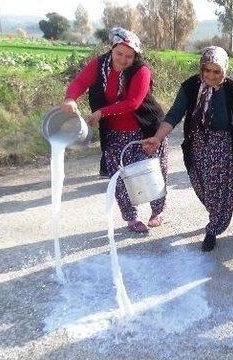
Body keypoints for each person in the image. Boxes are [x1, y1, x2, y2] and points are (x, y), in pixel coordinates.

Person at [141, 46, 233, 252]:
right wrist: (158, 138)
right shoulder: (191, 87)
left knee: (217, 189)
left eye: (216, 71)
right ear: (201, 68)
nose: (211, 76)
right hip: (197, 144)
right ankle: (216, 213)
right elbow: (174, 115)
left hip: (225, 146)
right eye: (207, 70)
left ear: (224, 70)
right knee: (200, 186)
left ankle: (213, 228)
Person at [61, 27, 167, 233]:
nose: (123, 59)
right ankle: (131, 218)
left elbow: (133, 102)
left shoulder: (141, 70)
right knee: (119, 175)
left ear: (135, 56)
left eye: (129, 56)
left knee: (152, 172)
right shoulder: (99, 65)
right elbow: (80, 82)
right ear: (111, 49)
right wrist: (70, 98)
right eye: (119, 53)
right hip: (114, 131)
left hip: (145, 127)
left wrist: (101, 112)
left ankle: (157, 211)